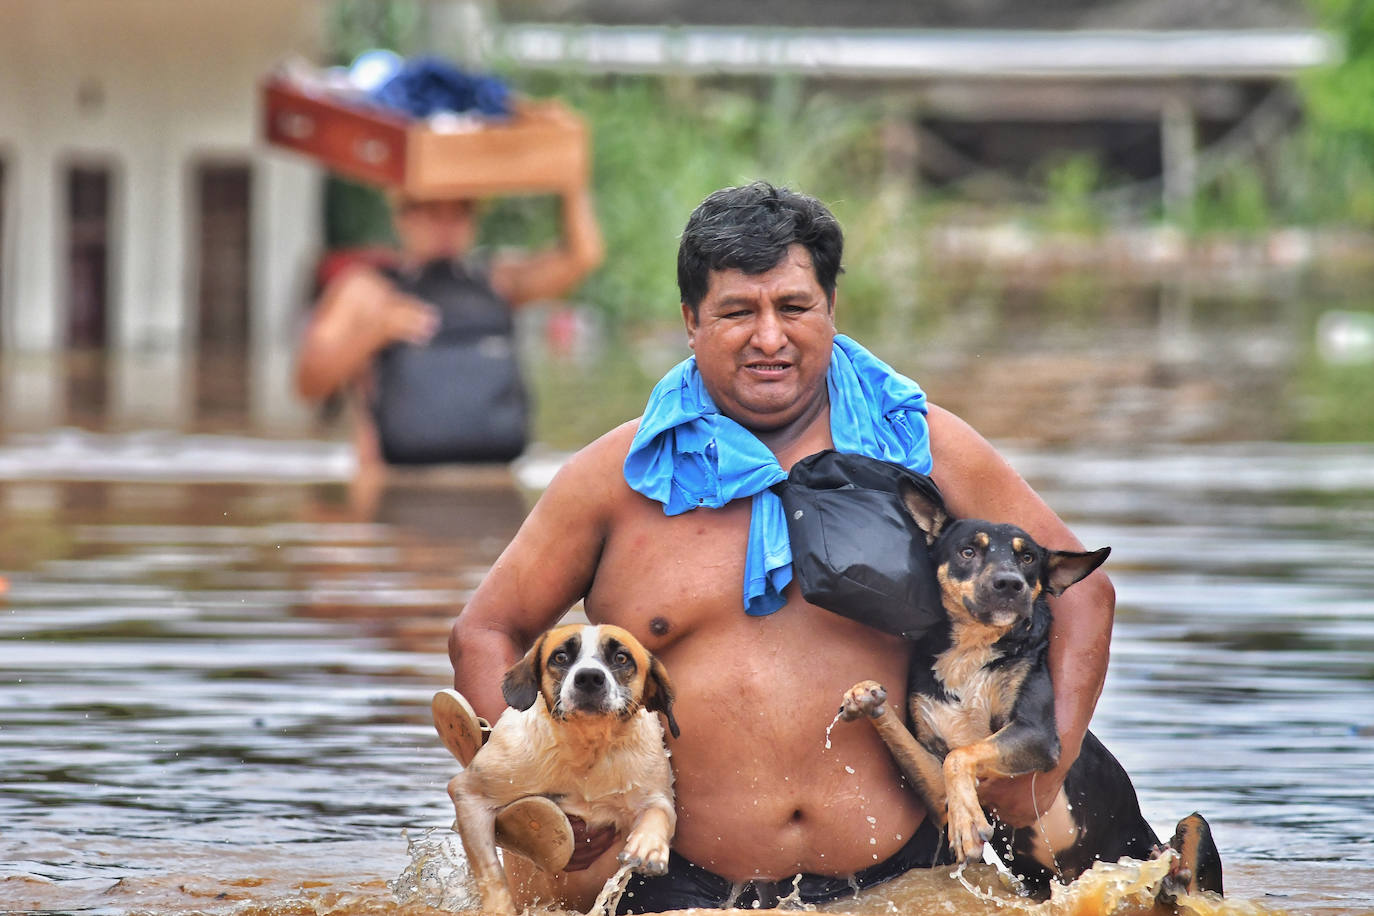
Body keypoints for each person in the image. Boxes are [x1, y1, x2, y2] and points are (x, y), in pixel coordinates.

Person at [447, 181, 1114, 911]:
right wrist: (539, 796)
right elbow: (485, 629)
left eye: (794, 308)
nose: (770, 338)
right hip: (671, 885)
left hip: (909, 880)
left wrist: (1051, 761)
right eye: (737, 312)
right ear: (690, 322)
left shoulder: (922, 446)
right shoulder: (615, 478)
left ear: (831, 311)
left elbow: (1082, 590)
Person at [293, 185, 604, 480]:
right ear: (403, 216)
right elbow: (308, 382)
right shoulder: (366, 289)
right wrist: (375, 332)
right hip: (394, 486)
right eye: (432, 212)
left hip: (489, 487)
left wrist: (570, 181)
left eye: (459, 214)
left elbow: (582, 257)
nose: (445, 227)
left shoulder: (498, 282)